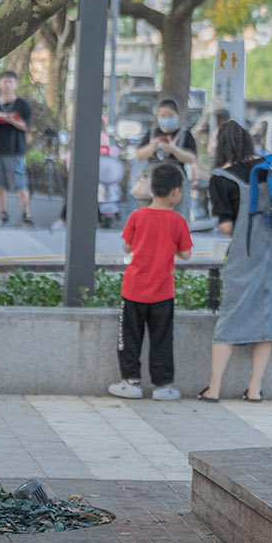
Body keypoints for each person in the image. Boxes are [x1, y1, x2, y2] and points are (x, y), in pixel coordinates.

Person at [199, 122, 272, 402]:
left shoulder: (221, 177)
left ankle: (214, 388)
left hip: (245, 255)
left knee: (231, 314)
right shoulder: (271, 168)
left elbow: (226, 228)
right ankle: (255, 389)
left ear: (221, 145)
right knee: (267, 316)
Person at [110, 163, 193, 401]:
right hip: (163, 292)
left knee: (129, 338)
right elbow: (186, 254)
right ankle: (162, 385)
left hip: (134, 289)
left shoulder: (137, 216)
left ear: (151, 189)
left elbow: (127, 246)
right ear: (176, 192)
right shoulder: (178, 222)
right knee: (162, 340)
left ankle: (131, 382)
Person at [0, 71, 34, 226]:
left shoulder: (22, 105)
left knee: (21, 186)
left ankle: (27, 214)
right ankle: (3, 215)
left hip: (16, 151)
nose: (7, 84)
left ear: (15, 84)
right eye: (5, 81)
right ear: (0, 83)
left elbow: (26, 127)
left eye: (10, 82)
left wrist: (11, 120)